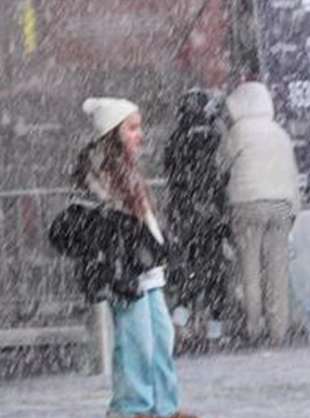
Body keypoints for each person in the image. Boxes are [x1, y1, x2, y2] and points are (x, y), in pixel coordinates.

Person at [49, 98, 199, 418]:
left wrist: (163, 248)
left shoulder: (125, 168)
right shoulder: (100, 169)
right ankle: (131, 407)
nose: (139, 135)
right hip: (126, 269)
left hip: (143, 266)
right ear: (113, 132)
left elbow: (142, 219)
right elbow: (110, 221)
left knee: (160, 338)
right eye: (132, 128)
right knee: (137, 342)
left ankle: (163, 406)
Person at [220, 81, 302, 346]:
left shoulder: (237, 132)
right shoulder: (280, 133)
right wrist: (294, 209)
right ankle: (278, 331)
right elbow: (292, 174)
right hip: (281, 205)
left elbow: (221, 165)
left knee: (250, 271)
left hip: (247, 204)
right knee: (277, 271)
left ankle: (253, 328)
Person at [164, 89, 230, 347]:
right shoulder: (206, 136)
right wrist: (214, 202)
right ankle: (213, 329)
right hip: (206, 212)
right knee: (213, 269)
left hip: (183, 212)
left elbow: (174, 175)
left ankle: (182, 319)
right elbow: (212, 173)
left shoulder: (176, 138)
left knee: (191, 265)